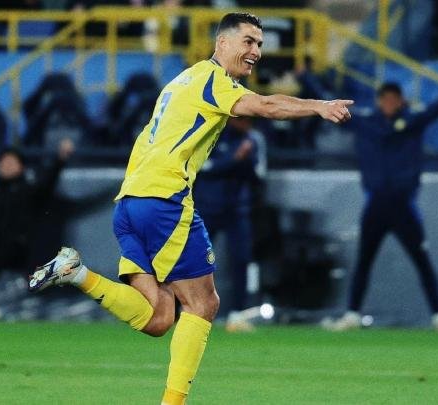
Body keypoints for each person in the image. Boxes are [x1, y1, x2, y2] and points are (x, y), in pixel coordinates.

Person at [28, 12, 352, 405]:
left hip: (130, 203)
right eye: (248, 41)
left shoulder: (181, 81)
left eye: (259, 44)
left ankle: (74, 272)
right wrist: (318, 105)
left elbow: (149, 137)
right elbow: (265, 104)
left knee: (158, 317)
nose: (256, 51)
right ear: (222, 43)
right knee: (204, 303)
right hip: (163, 201)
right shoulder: (214, 80)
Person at [323, 55, 438, 332]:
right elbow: (328, 106)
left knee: (422, 261)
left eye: (395, 99)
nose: (390, 103)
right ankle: (352, 314)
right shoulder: (366, 123)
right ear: (380, 101)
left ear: (401, 101)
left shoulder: (413, 121)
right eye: (386, 99)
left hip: (404, 205)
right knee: (364, 261)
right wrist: (305, 79)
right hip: (376, 204)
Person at [0, 139, 75, 319]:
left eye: (12, 162)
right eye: (3, 162)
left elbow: (48, 183)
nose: (7, 165)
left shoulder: (28, 190)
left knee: (6, 249)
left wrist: (60, 159)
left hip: (17, 250)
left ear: (21, 166)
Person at [192, 116, 265, 332]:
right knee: (195, 260)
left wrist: (245, 161)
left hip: (237, 209)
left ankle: (237, 313)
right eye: (242, 119)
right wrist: (235, 159)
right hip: (207, 208)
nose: (246, 124)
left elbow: (258, 176)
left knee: (241, 260)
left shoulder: (253, 140)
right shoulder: (210, 134)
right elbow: (203, 168)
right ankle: (188, 310)